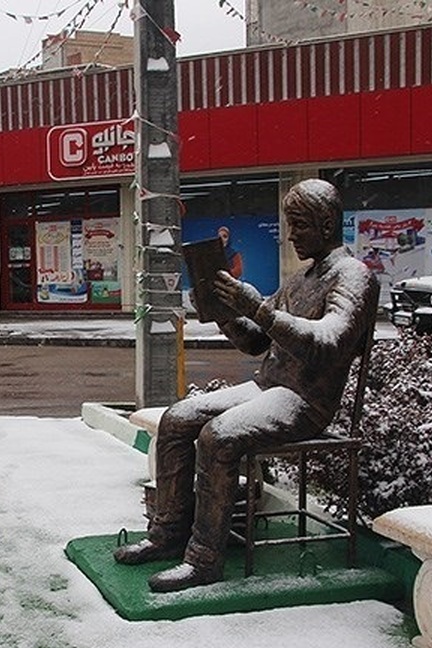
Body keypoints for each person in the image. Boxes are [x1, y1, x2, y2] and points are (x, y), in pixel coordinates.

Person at [114, 178, 379, 593]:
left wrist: (256, 307)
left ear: (327, 224)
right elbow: (257, 341)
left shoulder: (354, 276)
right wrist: (224, 309)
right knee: (178, 417)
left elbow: (327, 345)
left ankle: (204, 559)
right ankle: (168, 534)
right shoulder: (299, 279)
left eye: (299, 225)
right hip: (268, 387)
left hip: (305, 402)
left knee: (218, 437)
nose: (290, 235)